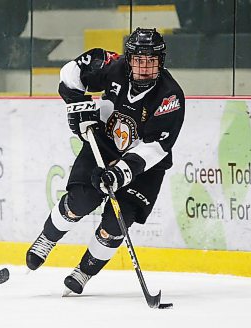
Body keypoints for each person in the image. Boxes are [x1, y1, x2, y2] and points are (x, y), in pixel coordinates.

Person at [26, 28, 185, 294]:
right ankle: (47, 239)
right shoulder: (113, 67)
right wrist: (78, 105)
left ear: (161, 61)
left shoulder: (170, 96)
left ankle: (83, 272)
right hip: (104, 145)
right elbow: (70, 73)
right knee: (80, 201)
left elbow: (155, 147)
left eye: (151, 61)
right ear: (129, 58)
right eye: (139, 60)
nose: (144, 67)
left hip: (144, 169)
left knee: (115, 224)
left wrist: (119, 173)